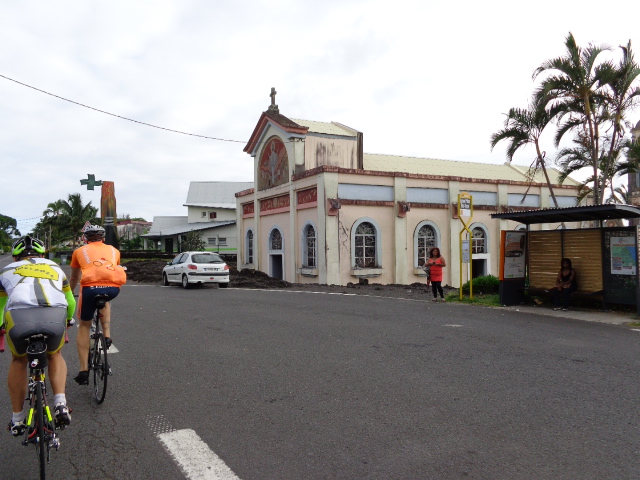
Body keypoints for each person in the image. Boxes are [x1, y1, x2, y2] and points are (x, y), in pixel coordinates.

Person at [0, 236, 75, 435]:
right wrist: (69, 319)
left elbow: (0, 306)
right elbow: (70, 301)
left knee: (18, 360)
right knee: (54, 355)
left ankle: (17, 419)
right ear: (43, 254)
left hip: (19, 316)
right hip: (54, 313)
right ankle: (60, 402)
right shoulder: (55, 267)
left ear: (15, 257)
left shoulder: (6, 270)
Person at [69, 225, 126, 385]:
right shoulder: (114, 251)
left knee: (84, 326)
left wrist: (67, 293)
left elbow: (74, 278)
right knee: (104, 299)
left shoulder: (79, 252)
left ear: (85, 239)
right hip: (113, 288)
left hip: (89, 288)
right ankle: (107, 335)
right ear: (103, 238)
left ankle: (83, 370)